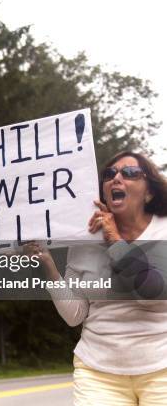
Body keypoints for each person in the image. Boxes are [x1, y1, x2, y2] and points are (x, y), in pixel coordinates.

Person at [25, 151, 167, 405]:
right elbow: (75, 315)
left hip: (161, 368)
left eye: (130, 173)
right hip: (98, 373)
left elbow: (152, 294)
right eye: (109, 174)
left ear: (149, 192)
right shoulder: (84, 238)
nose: (117, 178)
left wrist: (114, 239)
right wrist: (48, 267)